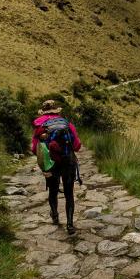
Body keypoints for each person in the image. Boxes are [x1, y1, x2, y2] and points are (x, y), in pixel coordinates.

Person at [31, 100, 81, 235]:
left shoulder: (40, 127)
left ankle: (55, 216)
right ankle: (70, 225)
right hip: (68, 161)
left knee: (53, 190)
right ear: (57, 111)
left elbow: (33, 149)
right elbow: (77, 146)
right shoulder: (67, 124)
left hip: (51, 164)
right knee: (69, 194)